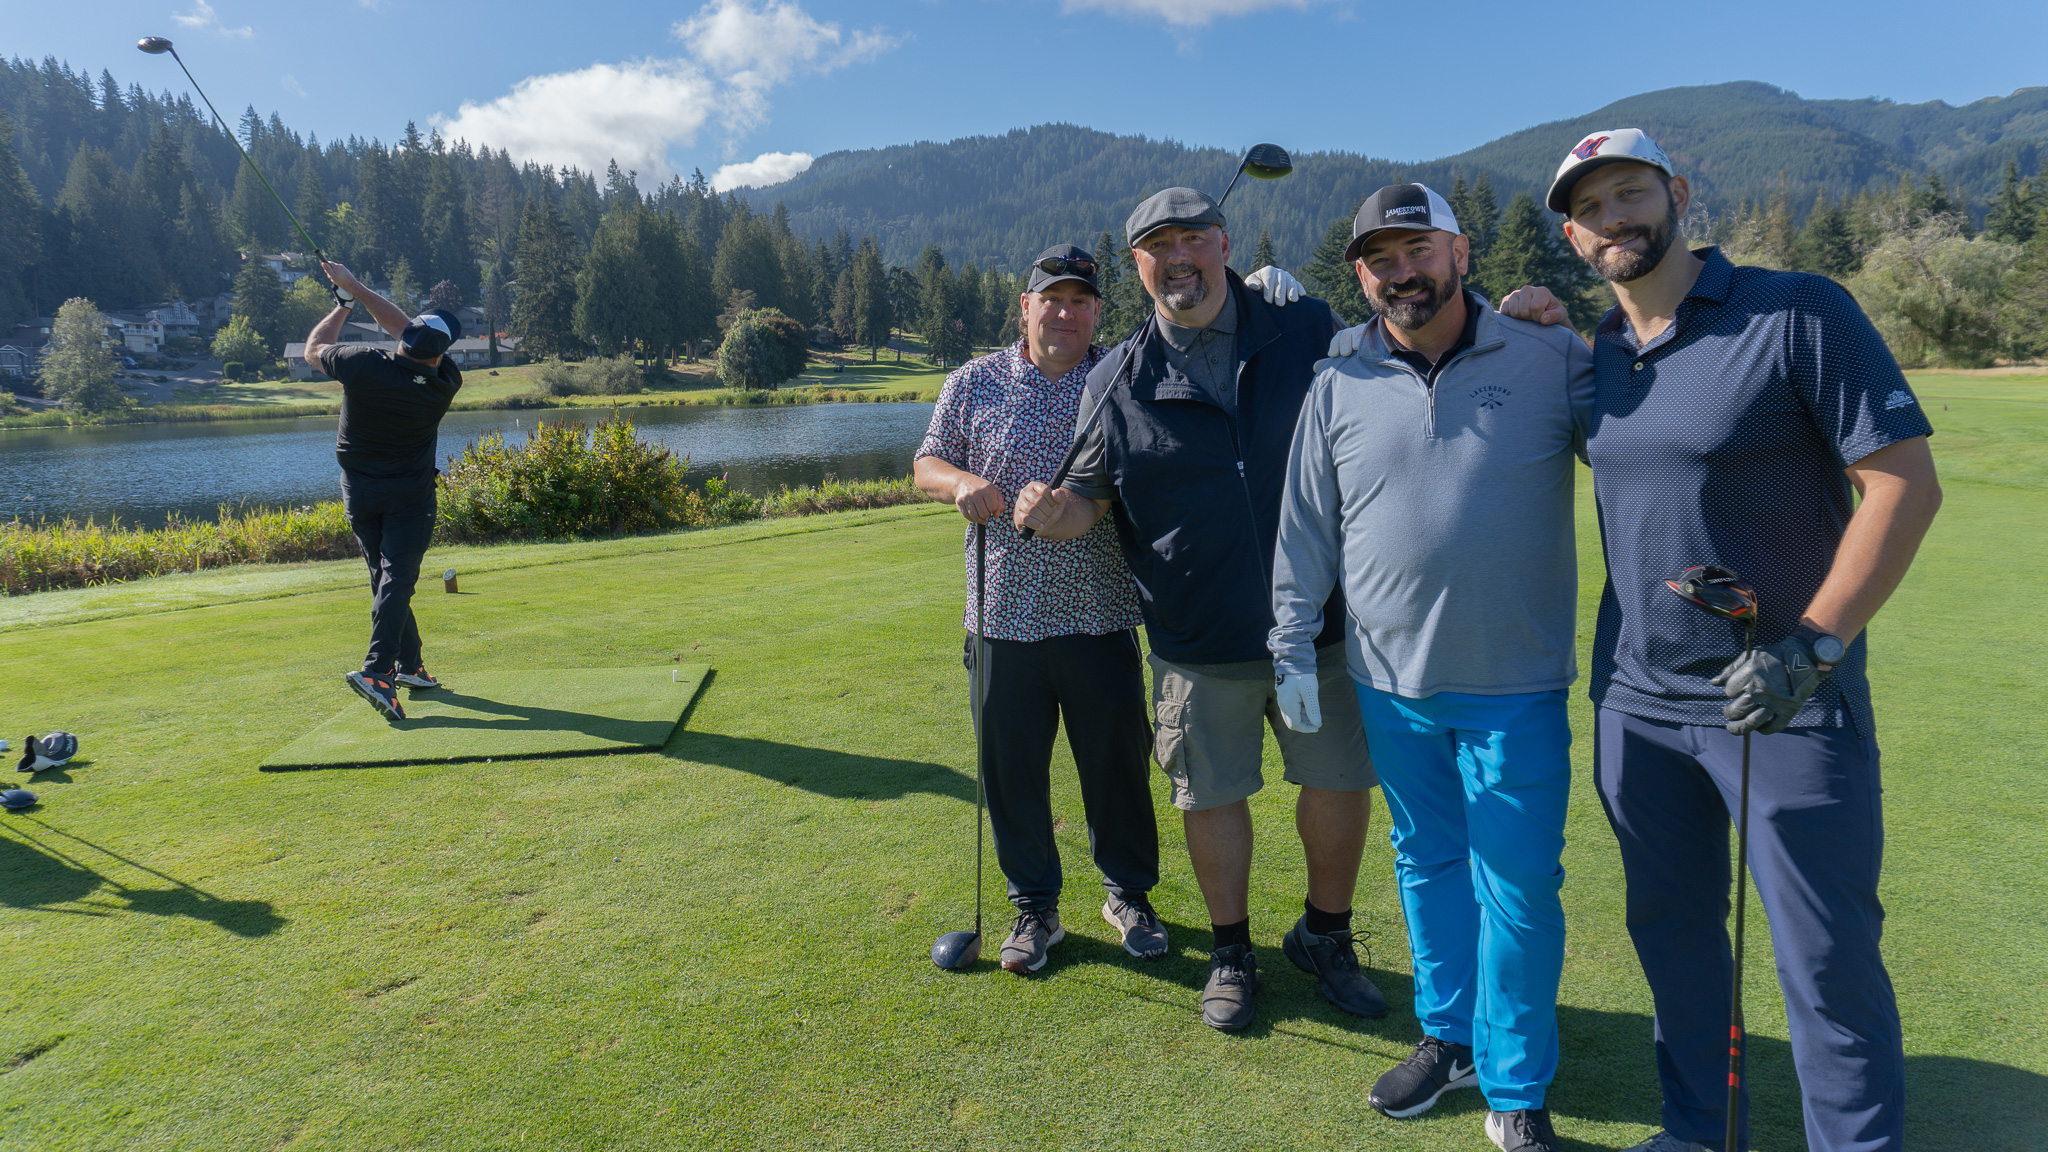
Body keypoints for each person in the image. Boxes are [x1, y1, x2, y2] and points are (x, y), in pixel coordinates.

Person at [1508, 129, 1942, 1152]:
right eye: (1589, 208)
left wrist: (1813, 648)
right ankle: (1701, 1131)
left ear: (1677, 193)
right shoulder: (1597, 353)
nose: (1613, 217)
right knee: (1673, 938)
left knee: (1824, 960)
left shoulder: (1796, 310)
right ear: (1571, 238)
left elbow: (1902, 485)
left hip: (1787, 699)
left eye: (1629, 192)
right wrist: (1523, 322)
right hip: (1639, 703)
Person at [1013, 189, 1383, 1032]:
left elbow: (1400, 357)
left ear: (1223, 242)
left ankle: (1325, 936)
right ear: (1136, 265)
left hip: (1319, 623)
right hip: (1196, 633)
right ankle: (1230, 953)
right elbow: (1089, 498)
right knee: (1210, 795)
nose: (1178, 257)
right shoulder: (1114, 376)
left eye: (1193, 238)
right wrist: (1055, 510)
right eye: (1158, 246)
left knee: (1338, 780)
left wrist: (1515, 316)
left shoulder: (1301, 326)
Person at [1276, 184, 1591, 1152]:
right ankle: (1448, 1038)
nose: (1401, 272)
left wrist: (1576, 327)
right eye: (1380, 259)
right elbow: (1305, 527)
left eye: (1418, 249)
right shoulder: (1338, 379)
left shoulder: (1547, 356)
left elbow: (1647, 450)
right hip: (1387, 682)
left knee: (1518, 885)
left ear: (1460, 252)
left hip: (1513, 682)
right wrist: (1290, 642)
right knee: (1425, 862)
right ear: (1360, 276)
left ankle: (1515, 1086)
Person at [917, 244, 1308, 975]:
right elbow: (926, 462)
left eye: (1081, 301)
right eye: (1052, 299)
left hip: (1100, 615)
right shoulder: (973, 382)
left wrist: (1255, 290)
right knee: (1012, 773)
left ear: (1097, 311)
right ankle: (1035, 908)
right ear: (1026, 308)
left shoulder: (1123, 374)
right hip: (1000, 620)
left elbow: (1198, 323)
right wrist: (960, 482)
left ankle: (1128, 896)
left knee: (1117, 771)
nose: (1065, 313)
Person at [303, 262, 465, 721]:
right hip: (411, 497)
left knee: (385, 575)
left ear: (404, 342)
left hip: (360, 491)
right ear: (440, 355)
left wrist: (345, 301)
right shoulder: (445, 382)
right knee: (397, 577)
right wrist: (354, 289)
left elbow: (314, 349)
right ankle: (378, 670)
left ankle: (410, 666)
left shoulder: (361, 363)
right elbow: (405, 330)